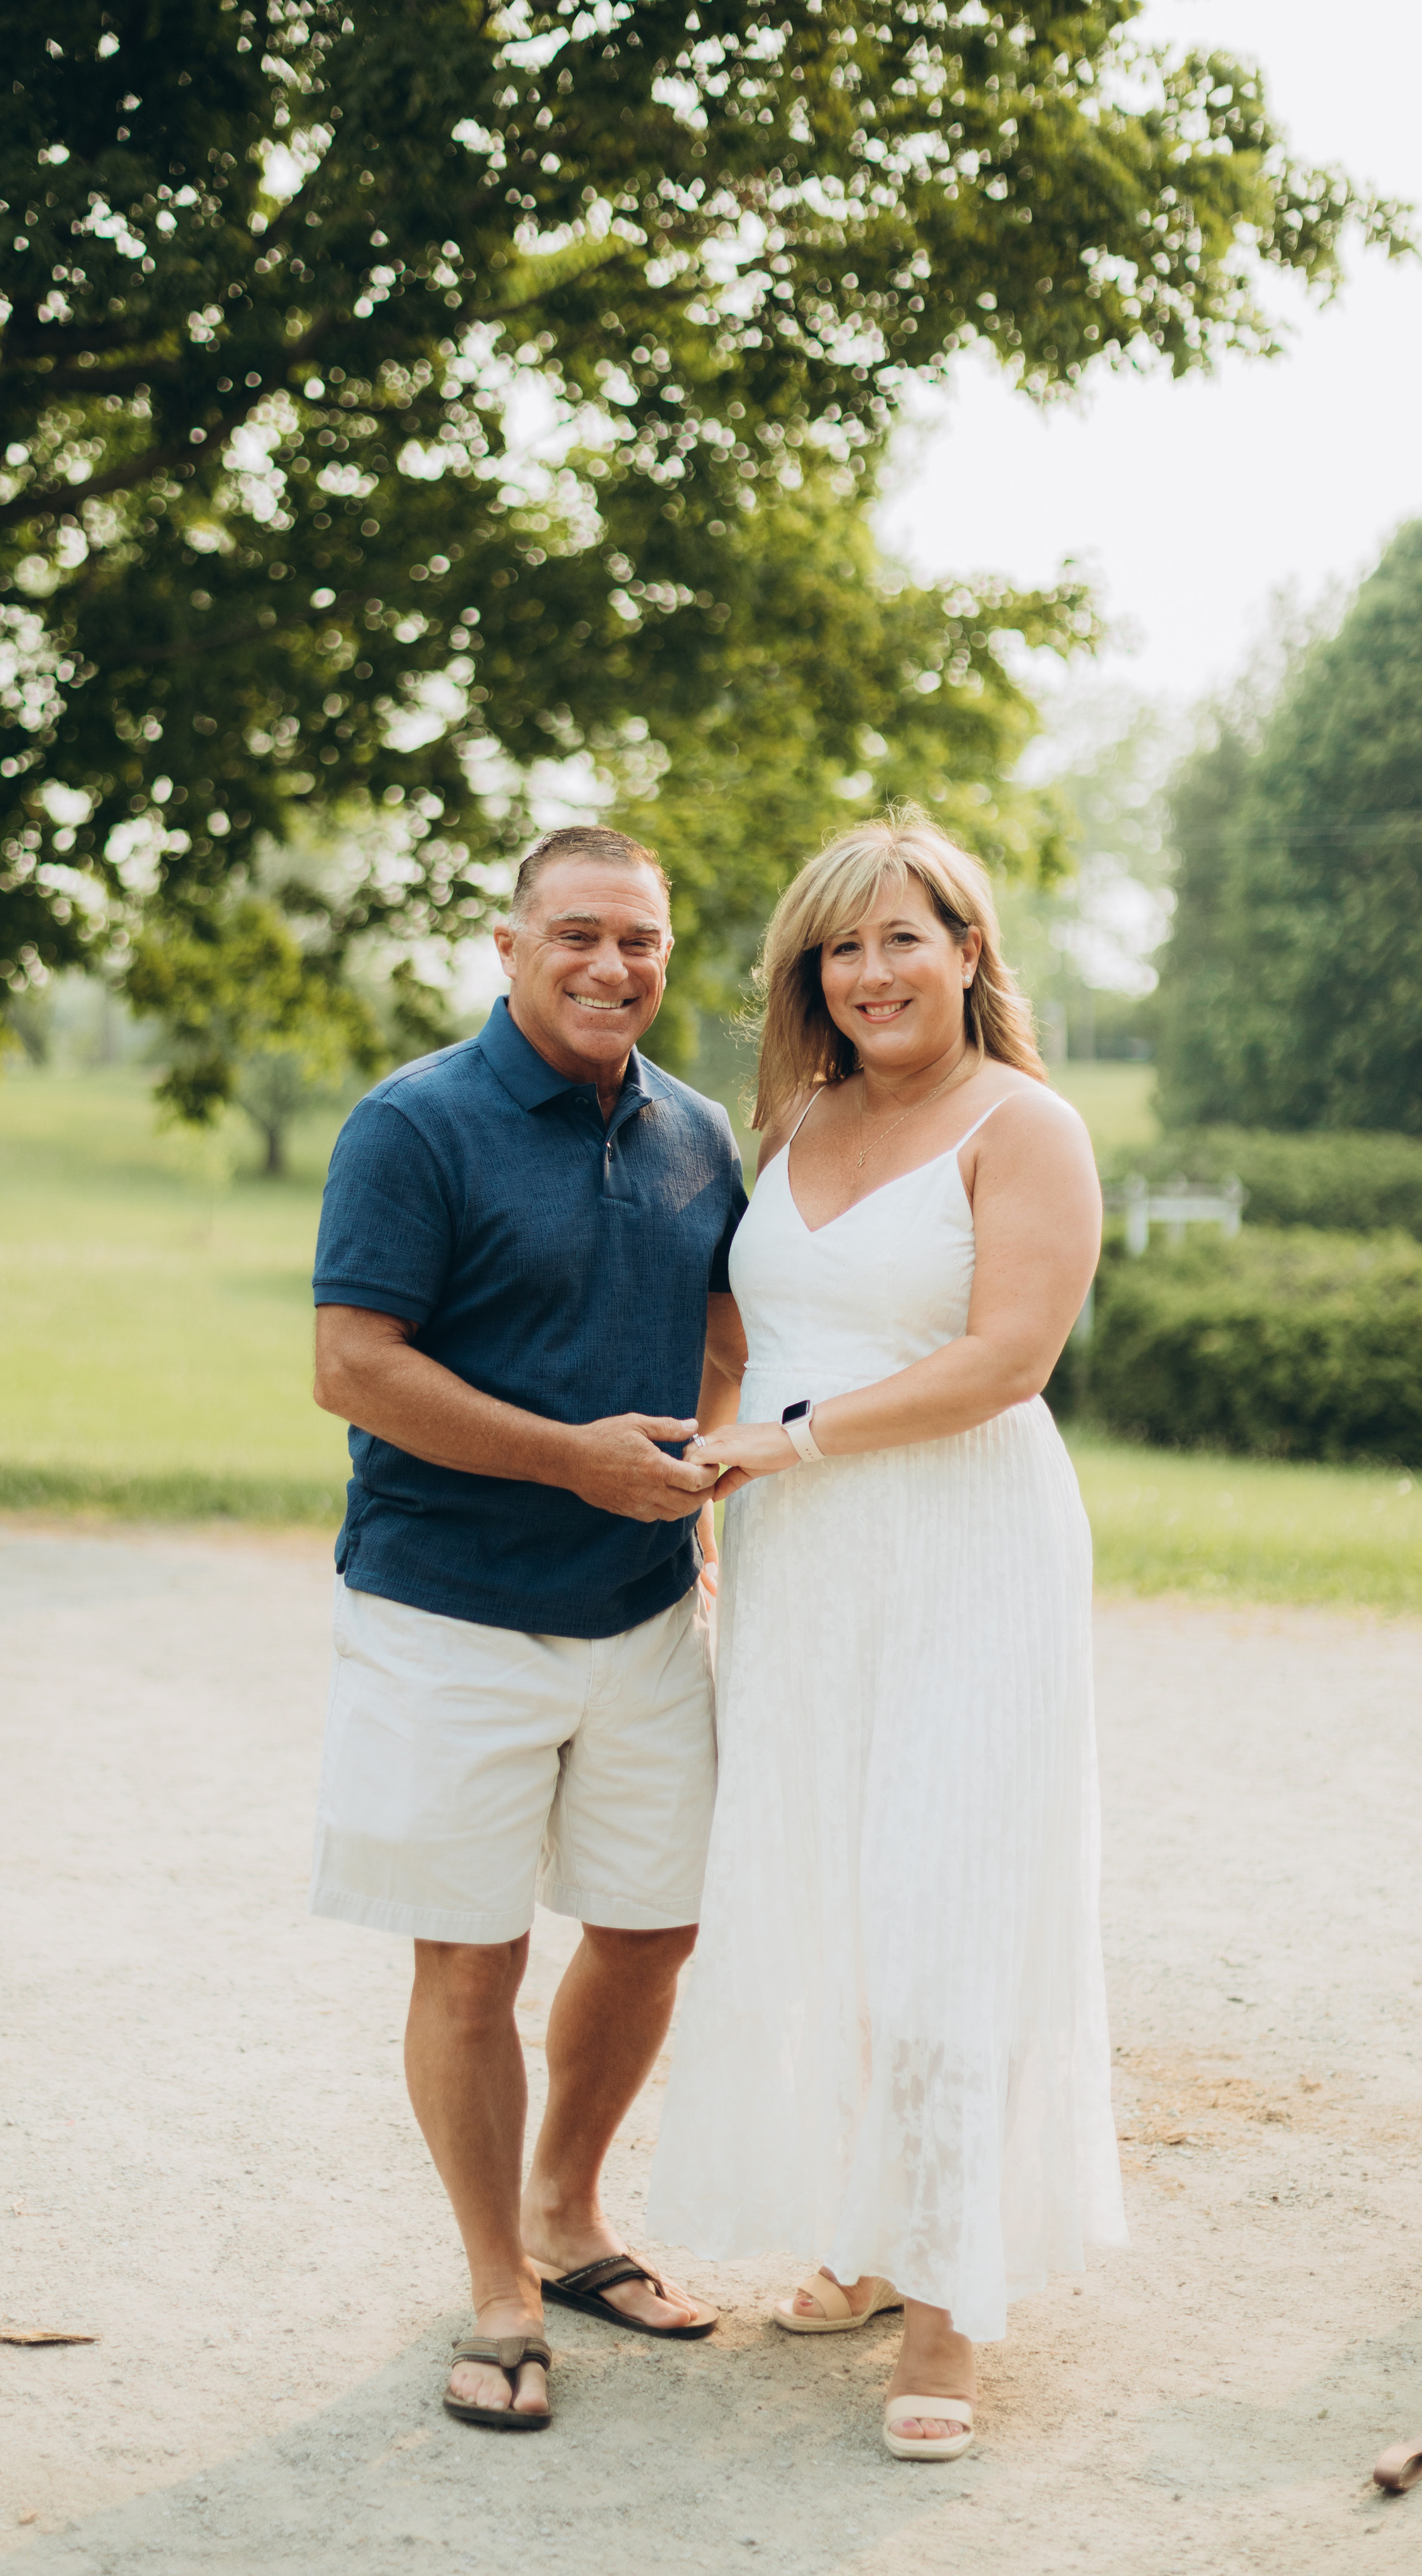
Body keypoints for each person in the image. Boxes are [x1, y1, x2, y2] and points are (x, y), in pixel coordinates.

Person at [647, 809, 1128, 2463]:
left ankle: (946, 2309)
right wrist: (711, 1478)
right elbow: (747, 1326)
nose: (867, 972)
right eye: (837, 948)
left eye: (900, 937)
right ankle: (857, 2241)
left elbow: (1006, 1360)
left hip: (962, 1549)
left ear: (968, 950)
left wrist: (792, 1439)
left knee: (946, 1901)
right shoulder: (792, 1121)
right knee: (833, 1891)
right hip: (799, 1561)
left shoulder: (1026, 1126)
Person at [309, 824, 747, 2431]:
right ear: (507, 948)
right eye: (575, 934)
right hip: (447, 1612)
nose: (610, 966)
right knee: (470, 1953)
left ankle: (568, 2214)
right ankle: (496, 2283)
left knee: (651, 1927)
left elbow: (724, 1328)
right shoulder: (411, 1125)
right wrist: (572, 1460)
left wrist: (690, 1480)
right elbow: (353, 1367)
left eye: (638, 939)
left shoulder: (700, 1134)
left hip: (639, 1614)